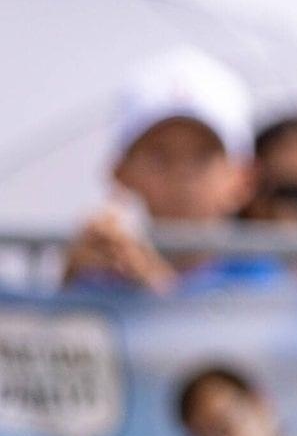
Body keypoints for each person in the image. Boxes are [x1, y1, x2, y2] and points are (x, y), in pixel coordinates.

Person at [65, 47, 271, 293]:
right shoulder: (102, 273)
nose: (181, 173)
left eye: (203, 156)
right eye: (158, 156)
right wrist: (70, 280)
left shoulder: (265, 279)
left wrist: (154, 282)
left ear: (243, 178)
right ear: (121, 173)